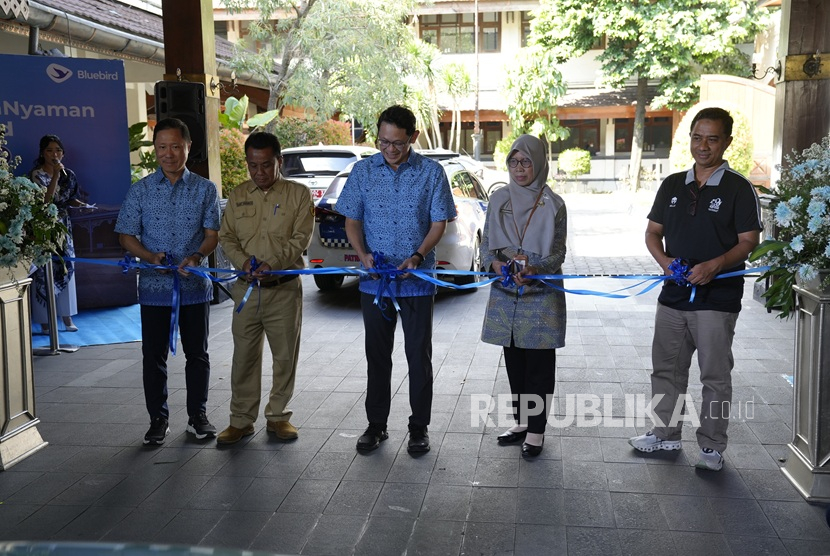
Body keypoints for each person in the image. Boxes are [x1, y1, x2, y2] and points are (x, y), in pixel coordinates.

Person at [629, 107, 762, 471]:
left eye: (712, 138)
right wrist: (666, 263)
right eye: (697, 137)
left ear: (726, 142)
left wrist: (716, 265)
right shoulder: (673, 183)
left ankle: (712, 446)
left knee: (714, 376)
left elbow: (748, 240)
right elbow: (653, 233)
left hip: (716, 299)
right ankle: (665, 435)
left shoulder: (738, 187)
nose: (703, 146)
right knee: (666, 370)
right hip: (673, 297)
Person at [336, 105, 456, 454]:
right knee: (377, 355)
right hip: (376, 282)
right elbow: (352, 221)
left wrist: (417, 256)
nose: (389, 149)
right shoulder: (362, 172)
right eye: (383, 142)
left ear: (413, 138)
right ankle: (376, 425)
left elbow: (439, 223)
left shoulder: (431, 173)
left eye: (398, 143)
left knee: (418, 355)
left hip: (417, 279)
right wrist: (362, 255)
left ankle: (419, 428)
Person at [115, 117, 221, 445]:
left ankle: (197, 417)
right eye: (162, 147)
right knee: (153, 356)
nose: (169, 153)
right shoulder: (141, 190)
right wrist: (149, 257)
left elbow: (212, 235)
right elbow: (125, 236)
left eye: (176, 146)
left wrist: (197, 256)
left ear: (189, 147)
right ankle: (158, 420)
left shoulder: (206, 189)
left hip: (193, 286)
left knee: (198, 354)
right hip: (153, 289)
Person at [216, 132, 314, 445]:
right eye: (253, 166)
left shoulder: (298, 194)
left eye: (266, 165)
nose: (259, 173)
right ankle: (241, 420)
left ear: (279, 162)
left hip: (283, 291)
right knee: (243, 357)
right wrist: (243, 262)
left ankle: (278, 417)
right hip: (245, 291)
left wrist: (272, 262)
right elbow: (227, 237)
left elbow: (300, 238)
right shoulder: (238, 194)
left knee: (285, 356)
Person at [481, 134, 567, 459]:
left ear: (539, 163)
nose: (519, 168)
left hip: (541, 298)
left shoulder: (555, 205)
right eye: (514, 162)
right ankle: (521, 421)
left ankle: (536, 429)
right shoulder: (498, 199)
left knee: (539, 368)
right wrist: (496, 263)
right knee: (514, 363)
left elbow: (558, 253)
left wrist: (533, 267)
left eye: (526, 161)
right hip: (506, 295)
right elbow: (486, 243)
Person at [29, 135, 84, 333]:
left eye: (58, 150)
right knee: (45, 273)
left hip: (63, 227)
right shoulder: (37, 175)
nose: (55, 154)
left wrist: (83, 205)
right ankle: (45, 321)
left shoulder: (69, 173)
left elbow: (71, 198)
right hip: (44, 228)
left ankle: (67, 318)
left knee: (66, 268)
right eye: (50, 150)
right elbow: (46, 200)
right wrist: (55, 176)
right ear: (43, 153)